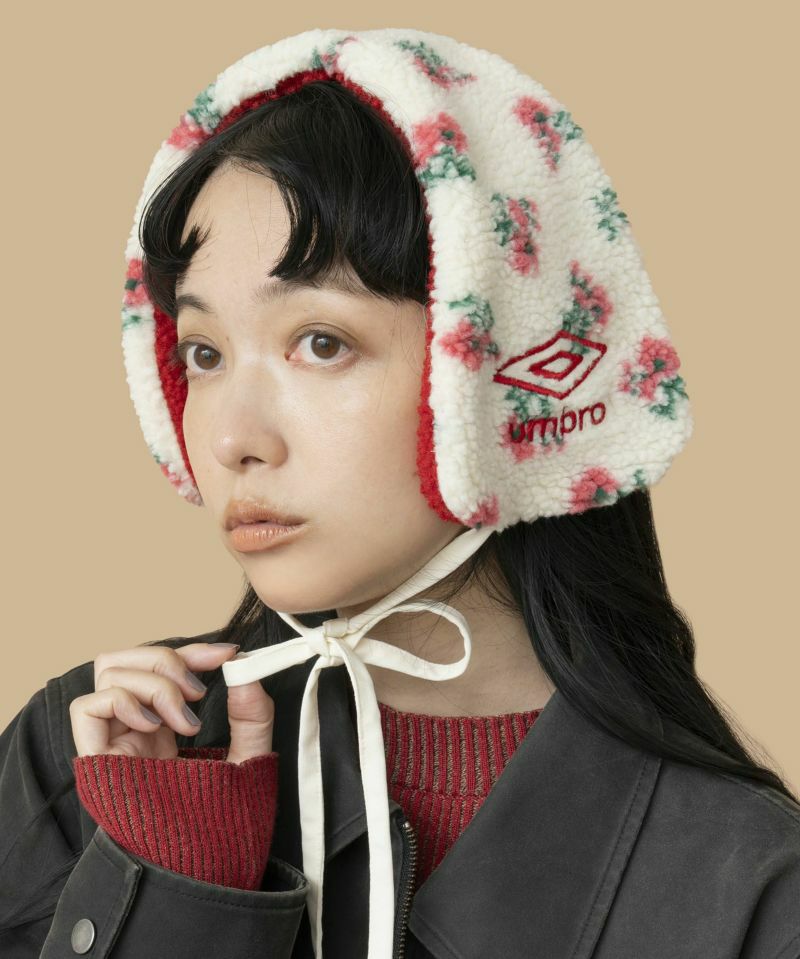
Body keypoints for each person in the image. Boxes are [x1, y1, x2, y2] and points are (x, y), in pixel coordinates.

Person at [1, 26, 799, 959]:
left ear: (498, 368)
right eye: (204, 353)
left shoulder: (744, 888)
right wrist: (173, 883)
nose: (230, 438)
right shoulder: (94, 756)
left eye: (321, 342)